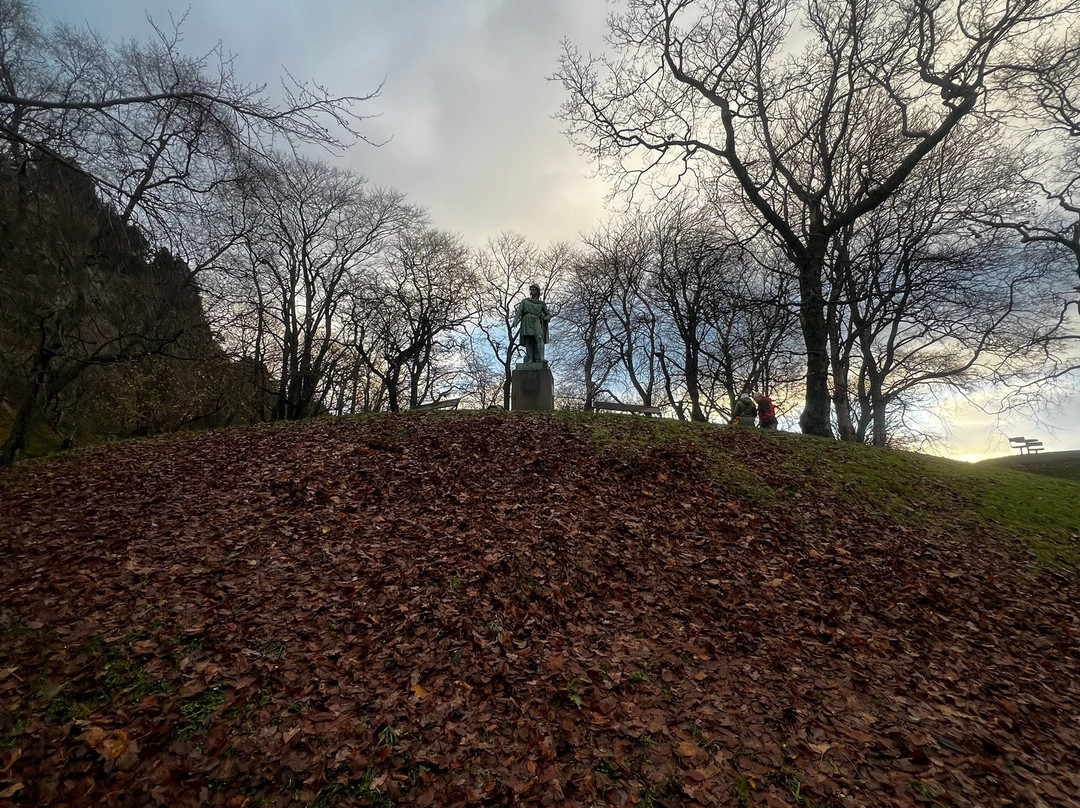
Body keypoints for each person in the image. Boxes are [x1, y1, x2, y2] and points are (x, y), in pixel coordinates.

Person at [512, 283, 552, 364]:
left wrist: (544, 318)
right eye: (531, 290)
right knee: (528, 340)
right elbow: (519, 311)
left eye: (534, 290)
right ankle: (530, 359)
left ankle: (541, 358)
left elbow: (548, 315)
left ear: (537, 292)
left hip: (536, 320)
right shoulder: (525, 302)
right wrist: (515, 321)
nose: (532, 291)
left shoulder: (541, 303)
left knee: (539, 337)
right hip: (527, 320)